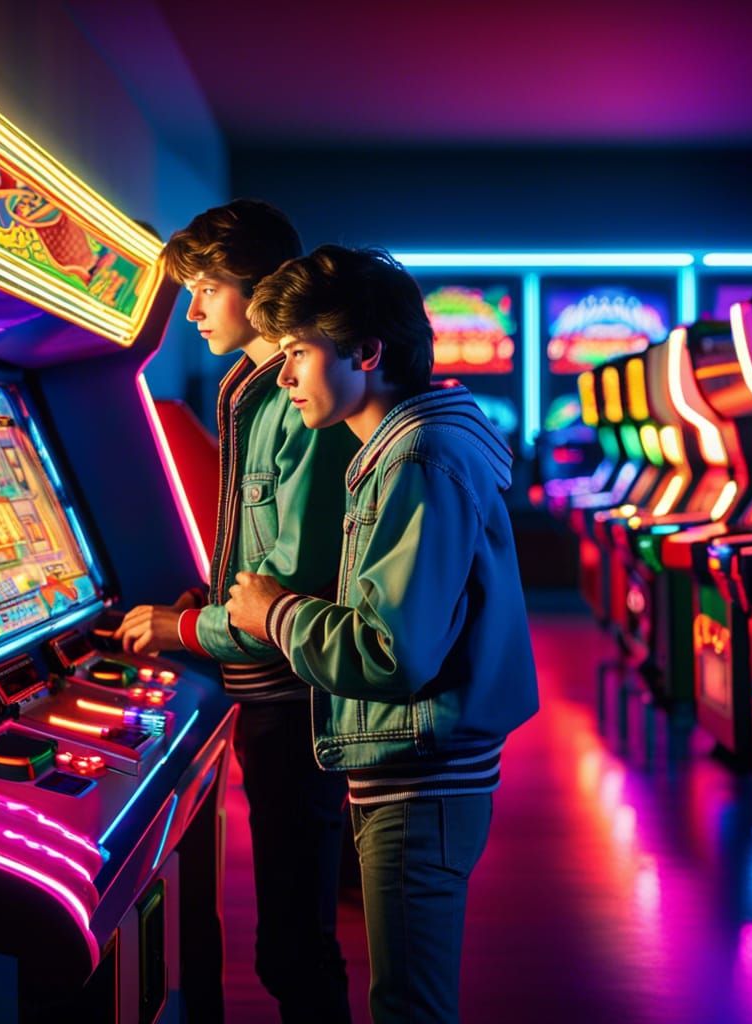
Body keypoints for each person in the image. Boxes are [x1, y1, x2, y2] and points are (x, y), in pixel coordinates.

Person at [226, 245, 539, 1023]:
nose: (287, 375)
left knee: (410, 1007)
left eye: (299, 352)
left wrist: (274, 612)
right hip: (416, 766)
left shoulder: (418, 458)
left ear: (366, 351)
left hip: (422, 773)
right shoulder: (404, 447)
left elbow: (392, 652)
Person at [115, 202, 358, 1023]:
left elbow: (291, 587)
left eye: (205, 289)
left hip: (295, 693)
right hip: (263, 686)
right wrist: (203, 603)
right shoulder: (252, 388)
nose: (192, 310)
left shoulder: (297, 399)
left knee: (295, 944)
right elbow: (255, 555)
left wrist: (185, 629)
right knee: (283, 937)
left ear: (256, 293)